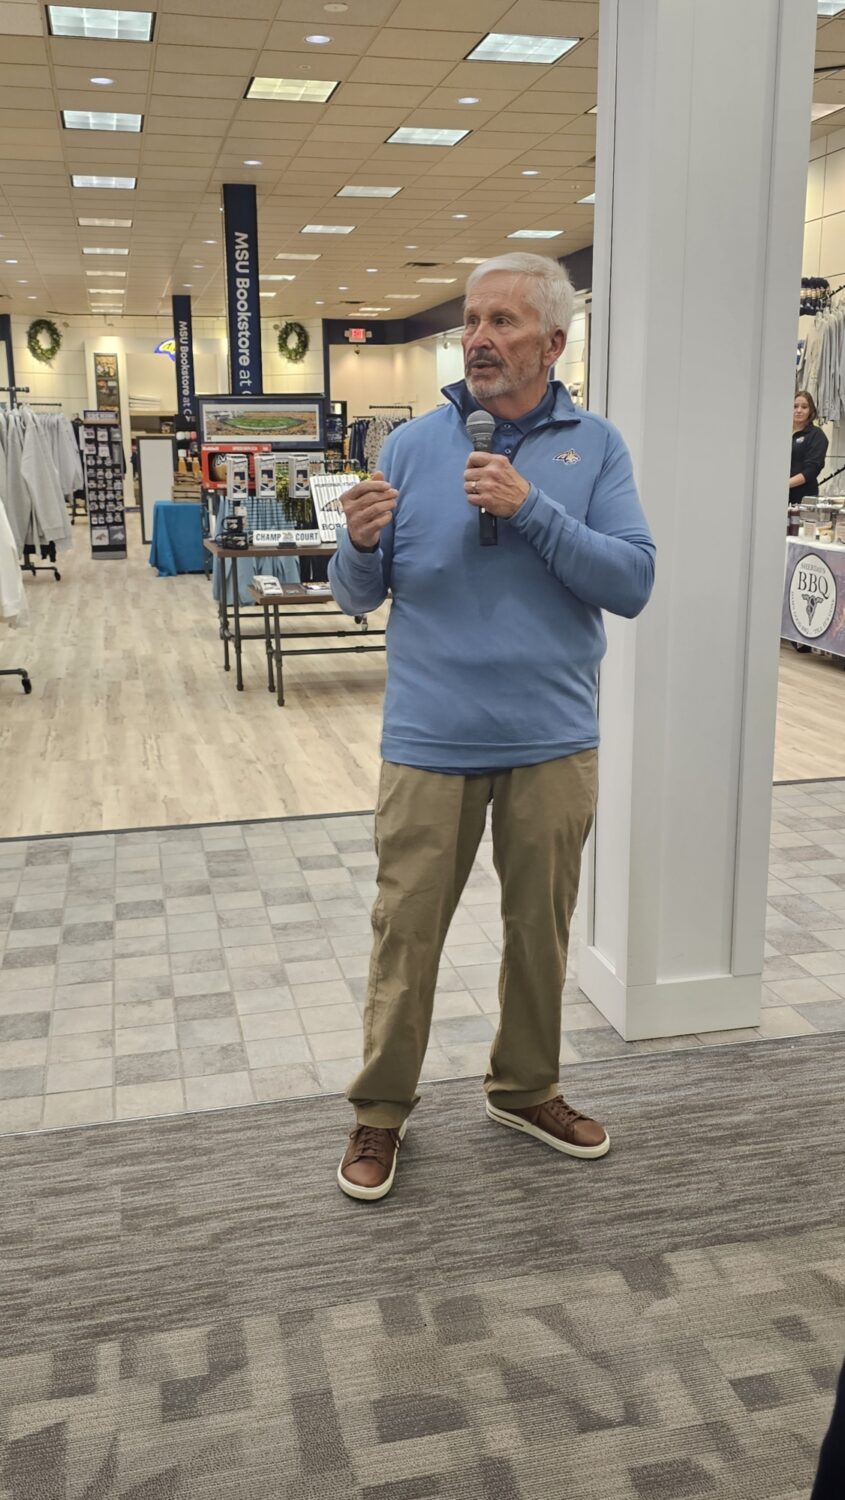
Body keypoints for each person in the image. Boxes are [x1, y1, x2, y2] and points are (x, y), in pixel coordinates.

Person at [328, 252, 656, 1203]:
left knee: (538, 932)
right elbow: (357, 596)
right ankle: (380, 1110)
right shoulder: (408, 446)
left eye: (502, 322)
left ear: (552, 344)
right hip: (428, 741)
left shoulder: (595, 447)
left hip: (551, 741)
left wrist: (531, 509)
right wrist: (356, 544)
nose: (477, 339)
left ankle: (525, 1089)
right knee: (405, 934)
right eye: (471, 321)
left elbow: (630, 581)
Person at [790, 390, 828, 507]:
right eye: (795, 406)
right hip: (776, 494)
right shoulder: (780, 432)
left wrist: (784, 484)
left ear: (811, 410)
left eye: (804, 407)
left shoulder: (817, 435)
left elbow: (811, 470)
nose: (799, 410)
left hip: (803, 498)